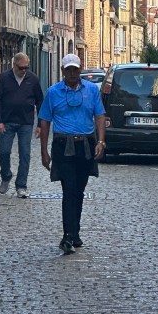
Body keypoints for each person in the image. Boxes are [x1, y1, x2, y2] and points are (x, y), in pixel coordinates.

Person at [39, 53, 106, 255]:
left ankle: (75, 233)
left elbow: (99, 116)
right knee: (69, 189)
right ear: (62, 71)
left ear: (80, 69)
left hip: (86, 144)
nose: (72, 73)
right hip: (63, 145)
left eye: (75, 69)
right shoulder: (53, 92)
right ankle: (67, 235)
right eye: (68, 70)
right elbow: (44, 122)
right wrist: (44, 151)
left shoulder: (92, 90)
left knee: (79, 190)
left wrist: (101, 141)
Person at [0, 52, 44, 198]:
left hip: (26, 122)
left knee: (25, 154)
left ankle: (21, 185)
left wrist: (40, 124)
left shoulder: (33, 79)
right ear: (14, 65)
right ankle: (6, 175)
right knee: (4, 151)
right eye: (21, 68)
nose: (24, 71)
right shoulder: (4, 78)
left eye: (26, 68)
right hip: (7, 121)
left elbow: (40, 101)